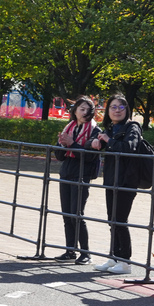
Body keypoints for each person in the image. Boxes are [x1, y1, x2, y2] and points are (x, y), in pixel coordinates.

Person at [91, 93, 144, 274]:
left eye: (121, 107)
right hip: (111, 179)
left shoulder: (133, 127)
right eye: (113, 107)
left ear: (127, 110)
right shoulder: (111, 128)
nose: (116, 110)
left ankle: (126, 262)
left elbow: (130, 147)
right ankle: (114, 256)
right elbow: (97, 141)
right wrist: (96, 142)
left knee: (120, 220)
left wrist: (108, 141)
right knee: (112, 220)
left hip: (126, 180)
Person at [53, 96, 98, 264]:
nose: (85, 112)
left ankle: (85, 253)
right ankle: (70, 250)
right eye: (82, 109)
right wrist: (62, 144)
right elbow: (59, 156)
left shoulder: (95, 131)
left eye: (88, 109)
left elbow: (91, 157)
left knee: (76, 214)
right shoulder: (69, 127)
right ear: (75, 111)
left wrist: (72, 144)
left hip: (82, 174)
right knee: (67, 214)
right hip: (66, 173)